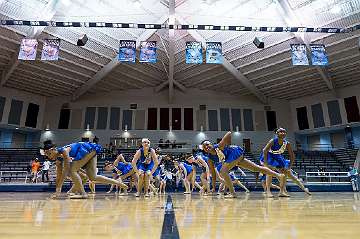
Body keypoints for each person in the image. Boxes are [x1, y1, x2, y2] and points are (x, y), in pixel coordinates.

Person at [201, 131, 287, 198]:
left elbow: (229, 133)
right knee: (255, 168)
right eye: (204, 147)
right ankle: (279, 175)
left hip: (235, 152)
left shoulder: (219, 146)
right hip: (234, 158)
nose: (207, 147)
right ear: (204, 150)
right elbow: (213, 173)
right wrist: (213, 187)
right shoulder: (210, 159)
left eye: (207, 144)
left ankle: (232, 193)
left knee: (223, 171)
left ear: (211, 144)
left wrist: (229, 144)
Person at [41, 140, 128, 199]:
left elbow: (67, 170)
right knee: (93, 177)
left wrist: (59, 189)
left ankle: (83, 194)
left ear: (53, 150)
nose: (49, 157)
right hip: (90, 150)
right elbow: (59, 174)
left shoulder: (64, 151)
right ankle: (120, 184)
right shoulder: (58, 160)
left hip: (87, 148)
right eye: (47, 155)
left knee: (72, 170)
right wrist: (57, 189)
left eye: (49, 154)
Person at [260, 127, 311, 197]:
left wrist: (289, 167)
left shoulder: (287, 143)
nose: (283, 133)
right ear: (276, 133)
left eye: (284, 132)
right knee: (269, 172)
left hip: (278, 157)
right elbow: (265, 151)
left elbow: (292, 156)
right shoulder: (273, 141)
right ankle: (268, 191)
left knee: (284, 174)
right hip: (269, 156)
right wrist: (266, 164)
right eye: (281, 131)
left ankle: (282, 192)